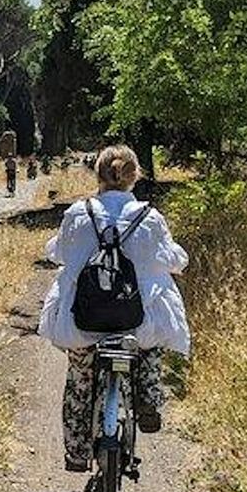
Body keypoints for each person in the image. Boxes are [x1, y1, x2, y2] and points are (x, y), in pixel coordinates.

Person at [38, 145, 190, 473]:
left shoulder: (78, 214)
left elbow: (59, 252)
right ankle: (148, 397)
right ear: (134, 176)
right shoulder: (150, 217)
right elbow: (174, 260)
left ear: (99, 176)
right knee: (149, 346)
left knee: (80, 376)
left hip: (85, 322)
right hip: (136, 322)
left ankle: (77, 453)